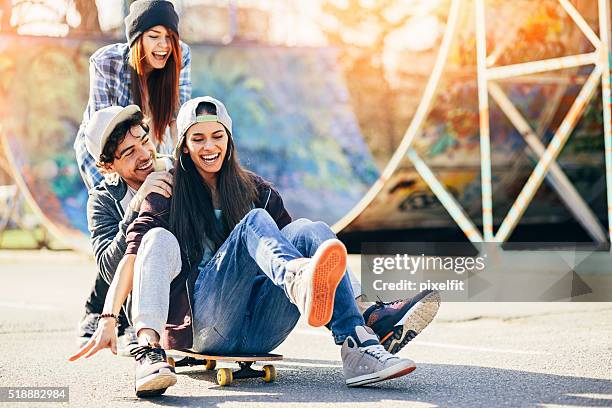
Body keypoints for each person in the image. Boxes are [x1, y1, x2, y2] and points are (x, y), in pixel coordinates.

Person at [69, 97, 419, 397]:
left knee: (312, 229)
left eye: (217, 136)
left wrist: (352, 296)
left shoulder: (252, 188)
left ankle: (359, 342)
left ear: (229, 140)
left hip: (262, 326)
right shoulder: (162, 190)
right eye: (129, 153)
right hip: (201, 319)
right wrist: (109, 316)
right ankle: (149, 348)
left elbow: (303, 243)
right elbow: (123, 258)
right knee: (211, 229)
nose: (144, 155)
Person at [74, 0, 191, 348]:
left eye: (169, 37)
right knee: (120, 221)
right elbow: (102, 128)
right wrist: (125, 172)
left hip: (143, 142)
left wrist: (180, 164)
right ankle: (101, 311)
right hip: (107, 151)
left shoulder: (180, 55)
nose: (164, 46)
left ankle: (123, 309)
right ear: (137, 39)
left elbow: (176, 118)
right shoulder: (108, 61)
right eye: (154, 37)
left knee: (150, 219)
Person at [79, 104, 173, 354]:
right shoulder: (102, 200)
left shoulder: (177, 171)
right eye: (129, 152)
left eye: (145, 141)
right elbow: (109, 270)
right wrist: (138, 202)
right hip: (141, 301)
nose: (144, 154)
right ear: (108, 166)